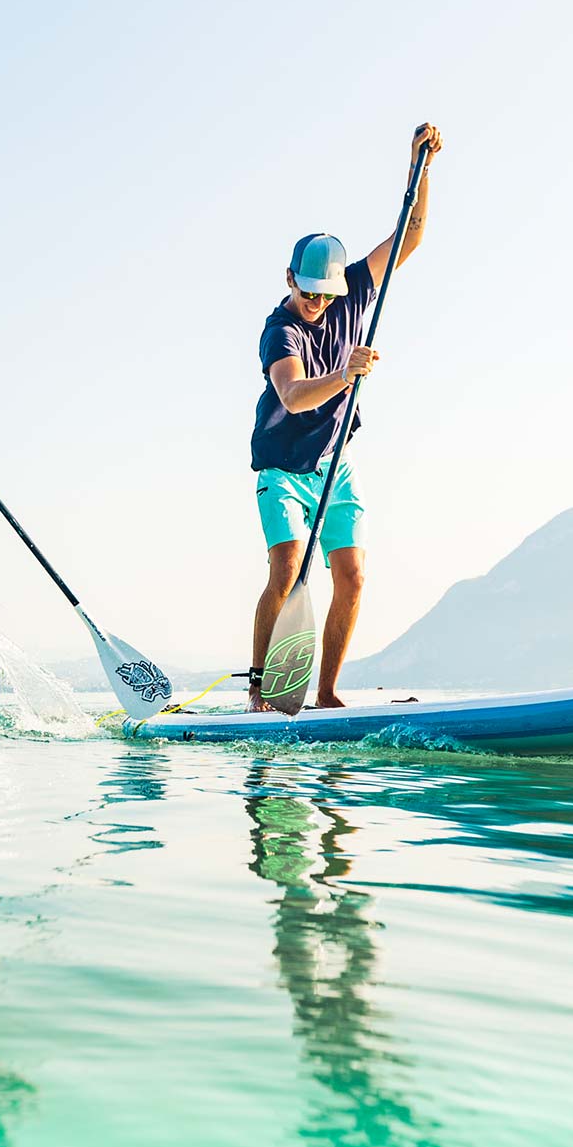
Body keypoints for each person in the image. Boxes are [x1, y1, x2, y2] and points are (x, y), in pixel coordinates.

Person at [247, 123, 443, 710]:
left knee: (352, 575)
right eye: (310, 294)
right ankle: (260, 693)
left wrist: (421, 168)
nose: (320, 305)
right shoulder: (279, 330)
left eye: (327, 296)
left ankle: (326, 692)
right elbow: (293, 396)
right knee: (285, 569)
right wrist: (346, 375)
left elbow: (408, 236)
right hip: (282, 469)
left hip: (336, 462)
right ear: (289, 280)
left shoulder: (353, 287)